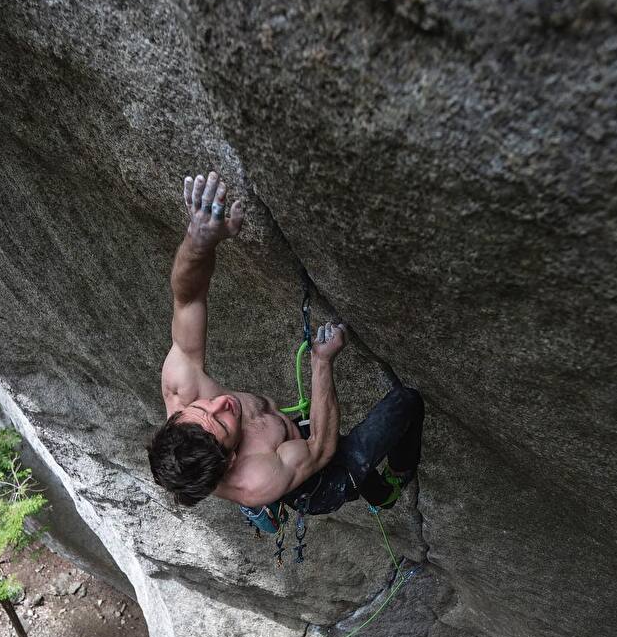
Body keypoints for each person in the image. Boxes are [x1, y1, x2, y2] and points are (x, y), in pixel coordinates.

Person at [148, 172, 424, 517]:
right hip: (316, 480)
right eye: (221, 423)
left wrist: (199, 242)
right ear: (231, 458)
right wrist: (321, 364)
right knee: (405, 405)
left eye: (203, 408)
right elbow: (320, 449)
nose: (222, 403)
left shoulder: (182, 388)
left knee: (306, 433)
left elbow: (188, 300)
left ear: (179, 416)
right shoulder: (255, 478)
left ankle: (272, 500)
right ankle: (391, 486)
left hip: (286, 445)